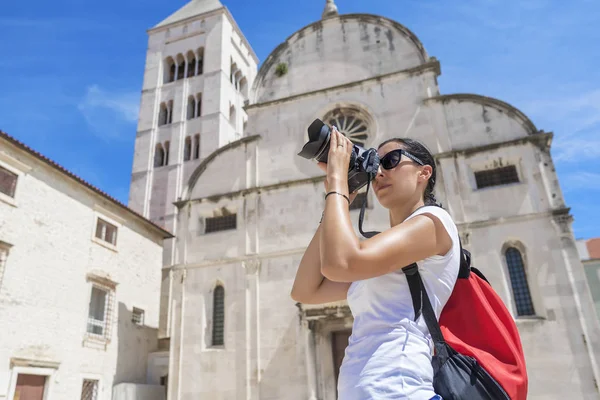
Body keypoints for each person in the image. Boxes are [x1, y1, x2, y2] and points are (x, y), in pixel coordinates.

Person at [290, 127, 460, 400]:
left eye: (391, 161)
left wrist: (336, 184)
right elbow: (305, 290)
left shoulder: (433, 223)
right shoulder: (381, 255)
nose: (379, 173)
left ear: (423, 173)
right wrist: (337, 203)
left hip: (401, 392)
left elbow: (341, 263)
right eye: (375, 165)